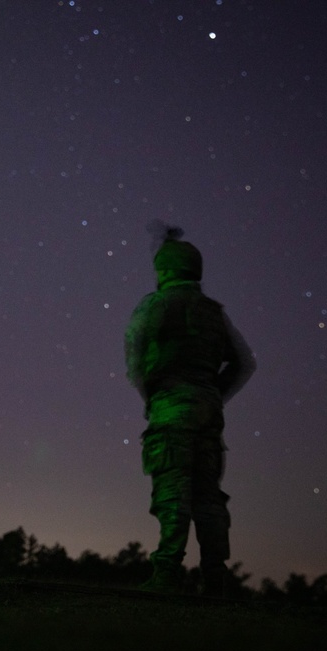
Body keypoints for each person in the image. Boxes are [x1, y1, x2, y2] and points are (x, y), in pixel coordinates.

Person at [124, 225, 255, 597]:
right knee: (208, 496)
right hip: (209, 413)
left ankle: (166, 573)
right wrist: (213, 393)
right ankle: (216, 578)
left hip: (170, 409)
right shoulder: (214, 313)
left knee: (173, 490)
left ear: (163, 270)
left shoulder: (154, 304)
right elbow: (244, 362)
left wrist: (151, 395)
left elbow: (134, 356)